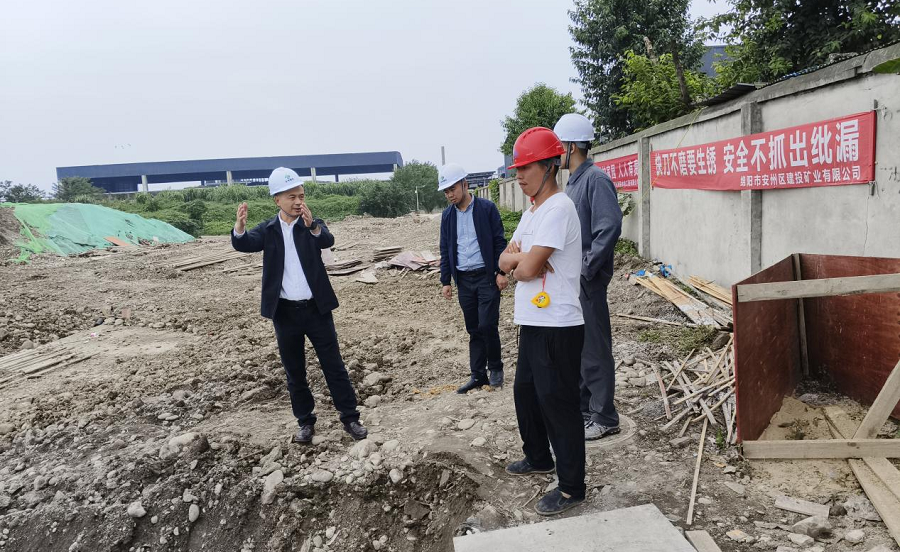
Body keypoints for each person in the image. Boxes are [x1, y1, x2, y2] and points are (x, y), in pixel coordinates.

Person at [231, 167, 367, 443]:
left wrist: (313, 224)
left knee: (334, 366)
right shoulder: (268, 230)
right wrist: (240, 228)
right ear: (277, 200)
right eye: (291, 197)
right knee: (295, 371)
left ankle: (350, 418)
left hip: (316, 309)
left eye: (301, 196)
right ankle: (305, 422)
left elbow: (326, 239)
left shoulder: (311, 225)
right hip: (285, 312)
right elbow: (245, 244)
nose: (298, 202)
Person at [499, 127, 586, 516]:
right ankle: (538, 457)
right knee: (526, 392)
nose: (519, 175)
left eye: (526, 167)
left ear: (550, 166)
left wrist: (521, 261)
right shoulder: (533, 211)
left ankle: (571, 488)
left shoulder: (558, 209)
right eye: (517, 168)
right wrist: (521, 259)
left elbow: (525, 269)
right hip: (533, 321)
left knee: (558, 403)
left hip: (558, 324)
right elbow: (506, 260)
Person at [554, 113, 623, 441]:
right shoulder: (574, 182)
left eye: (559, 146)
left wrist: (586, 267)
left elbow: (609, 227)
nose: (556, 152)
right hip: (574, 279)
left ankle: (605, 416)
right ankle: (585, 410)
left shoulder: (596, 180)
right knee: (580, 348)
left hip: (588, 280)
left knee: (595, 349)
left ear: (571, 146)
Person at [438, 163, 509, 393]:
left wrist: (502, 272)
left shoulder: (486, 209)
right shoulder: (447, 216)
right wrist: (446, 281)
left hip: (487, 277)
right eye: (446, 191)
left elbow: (499, 241)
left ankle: (495, 368)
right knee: (473, 329)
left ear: (464, 184)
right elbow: (445, 248)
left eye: (452, 189)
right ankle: (478, 375)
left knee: (487, 324)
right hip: (464, 280)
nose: (450, 194)